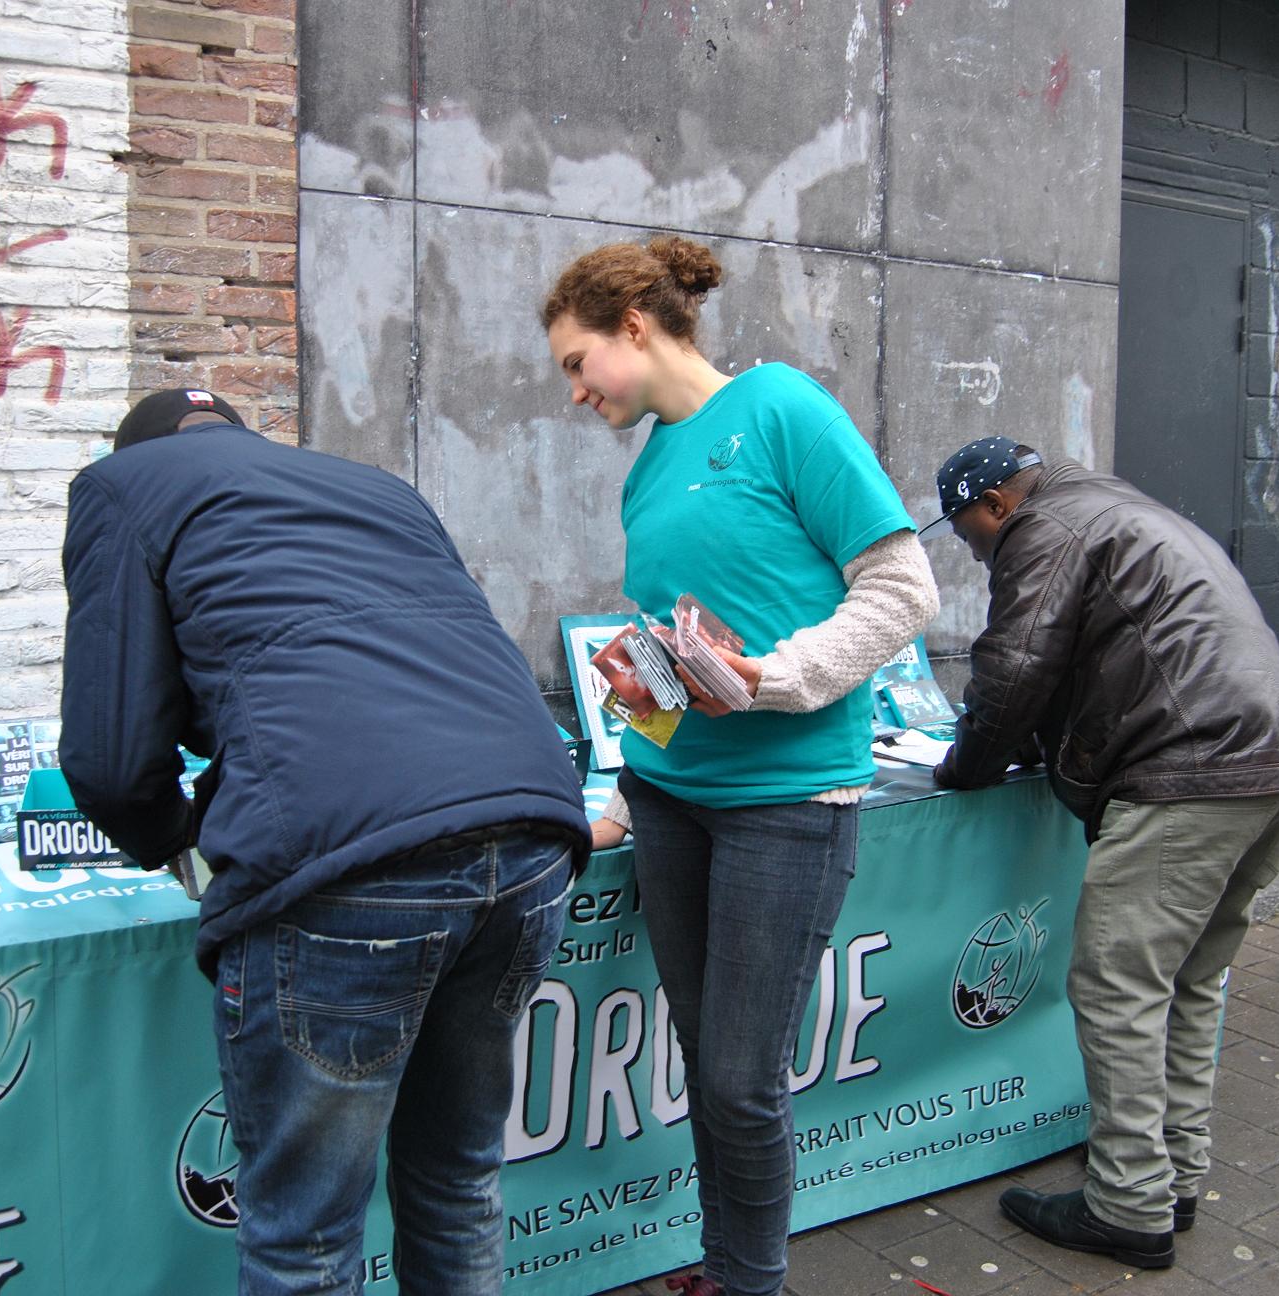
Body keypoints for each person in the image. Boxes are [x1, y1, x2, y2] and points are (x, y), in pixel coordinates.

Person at [58, 389, 593, 1295]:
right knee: (459, 1180)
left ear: (137, 449)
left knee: (303, 1232)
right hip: (535, 831)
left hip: (357, 870)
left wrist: (179, 838)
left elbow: (111, 758)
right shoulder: (373, 487)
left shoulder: (123, 484)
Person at [543, 237, 939, 1296]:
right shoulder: (648, 469)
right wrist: (644, 709)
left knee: (740, 1078)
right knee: (707, 1063)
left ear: (635, 324)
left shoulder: (781, 410)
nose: (574, 393)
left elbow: (902, 594)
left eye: (578, 364)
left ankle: (751, 1282)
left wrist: (773, 678)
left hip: (787, 804)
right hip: (671, 800)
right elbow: (679, 650)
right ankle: (726, 1270)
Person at [922, 436, 1279, 1269]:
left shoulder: (1045, 528)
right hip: (1274, 763)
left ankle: (1128, 1203)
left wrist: (966, 766)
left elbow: (1016, 665)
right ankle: (1170, 1174)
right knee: (1189, 977)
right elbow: (1101, 657)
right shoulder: (1123, 509)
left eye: (969, 536)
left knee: (1116, 983)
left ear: (997, 506)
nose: (975, 552)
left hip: (1189, 771)